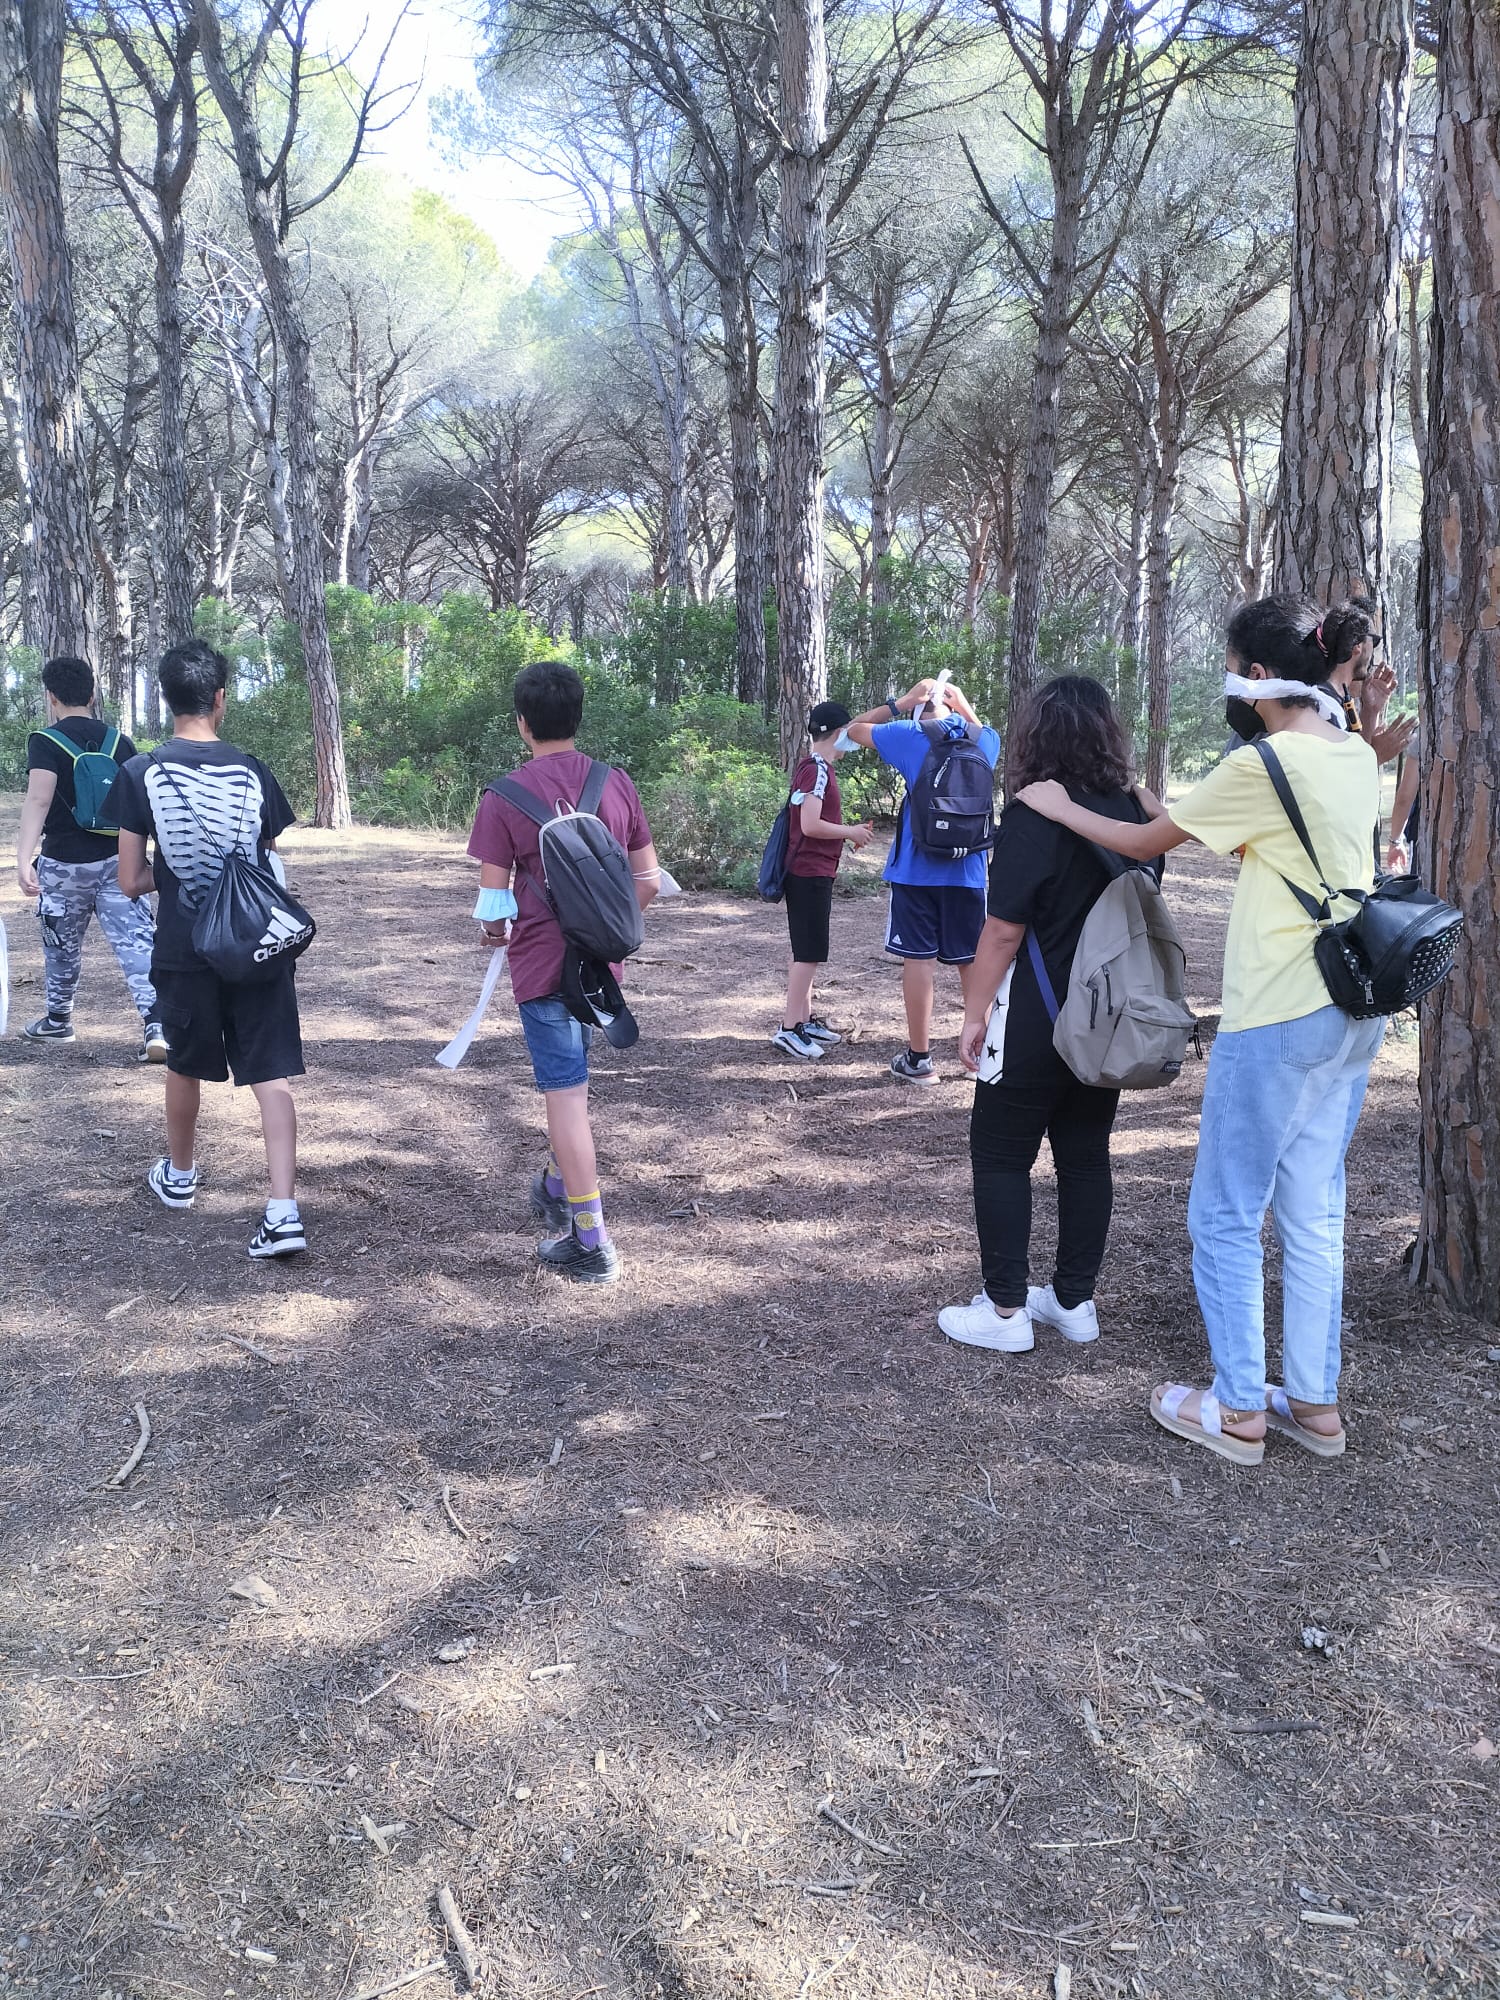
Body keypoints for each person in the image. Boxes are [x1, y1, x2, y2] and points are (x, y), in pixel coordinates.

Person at [1017, 595, 1381, 1466]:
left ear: (1256, 675)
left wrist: (1059, 807)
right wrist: (1150, 796)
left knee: (1223, 1212)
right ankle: (1314, 1404)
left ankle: (1238, 1410)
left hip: (1278, 1013)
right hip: (1352, 1013)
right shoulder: (1354, 756)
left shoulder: (1267, 761)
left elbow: (1144, 842)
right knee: (1313, 1208)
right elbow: (1210, 829)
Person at [938, 678, 1155, 1353]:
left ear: (1035, 737)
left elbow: (1002, 933)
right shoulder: (1137, 817)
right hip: (1109, 1018)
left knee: (1000, 1155)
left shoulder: (1036, 812)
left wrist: (973, 1015)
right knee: (1085, 1157)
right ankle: (1072, 1300)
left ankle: (1005, 1313)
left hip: (1036, 1014)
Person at [105, 639, 308, 1259]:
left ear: (166, 700)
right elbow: (266, 859)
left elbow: (130, 879)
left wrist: (174, 874)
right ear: (221, 699)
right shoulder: (252, 769)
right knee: (269, 1072)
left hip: (186, 947)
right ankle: (282, 1210)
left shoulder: (140, 772)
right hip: (254, 944)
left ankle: (181, 1176)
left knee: (185, 1063)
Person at [466, 658, 659, 1286]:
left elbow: (493, 905)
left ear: (523, 724)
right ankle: (555, 1182)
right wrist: (600, 924)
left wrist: (501, 930)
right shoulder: (615, 782)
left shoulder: (503, 797)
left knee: (565, 1098)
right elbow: (648, 879)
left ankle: (591, 1239)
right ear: (578, 717)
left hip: (543, 970)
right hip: (600, 969)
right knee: (571, 1088)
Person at [845, 677, 1001, 1082]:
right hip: (968, 871)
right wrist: (965, 705)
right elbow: (983, 738)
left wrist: (900, 702)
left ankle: (919, 1060)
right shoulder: (985, 740)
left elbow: (853, 730)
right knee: (970, 961)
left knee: (919, 960)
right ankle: (979, 1057)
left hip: (915, 870)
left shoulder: (908, 734)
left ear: (919, 708)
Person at [14, 655, 164, 1060]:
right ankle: (157, 1026)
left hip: (63, 864)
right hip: (119, 861)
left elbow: (39, 798)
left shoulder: (45, 742)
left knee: (61, 945)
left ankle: (58, 1020)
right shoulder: (120, 742)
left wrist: (23, 857)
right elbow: (137, 806)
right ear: (93, 693)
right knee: (136, 943)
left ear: (51, 697)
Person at [771, 698, 874, 1061]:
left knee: (806, 950)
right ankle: (788, 1029)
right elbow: (810, 824)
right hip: (808, 872)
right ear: (838, 732)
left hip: (813, 871)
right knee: (809, 953)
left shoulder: (816, 768)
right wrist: (851, 831)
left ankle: (804, 1020)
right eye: (849, 732)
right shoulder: (815, 770)